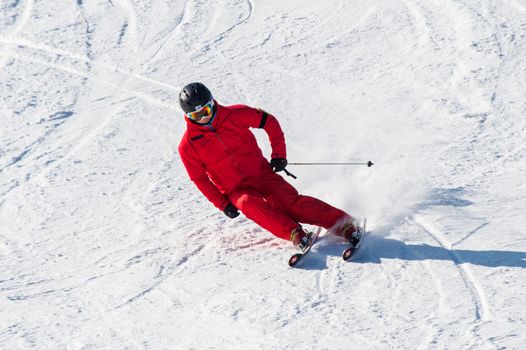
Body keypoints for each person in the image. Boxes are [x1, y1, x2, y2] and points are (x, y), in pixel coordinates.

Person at [178, 82, 359, 251]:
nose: (204, 118)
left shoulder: (236, 114)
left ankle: (344, 224)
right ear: (187, 116)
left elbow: (269, 122)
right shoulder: (188, 145)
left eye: (206, 110)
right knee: (249, 204)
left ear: (212, 102)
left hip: (261, 174)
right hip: (235, 189)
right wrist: (223, 203)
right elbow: (199, 179)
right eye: (196, 115)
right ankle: (295, 234)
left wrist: (279, 154)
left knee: (290, 203)